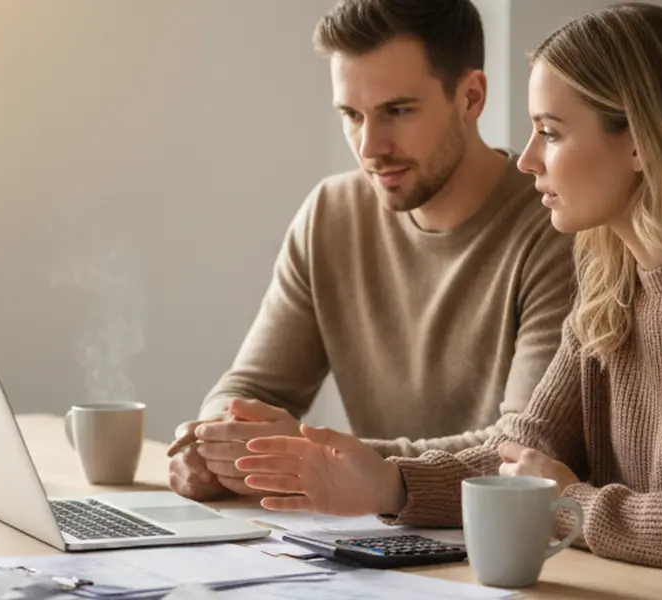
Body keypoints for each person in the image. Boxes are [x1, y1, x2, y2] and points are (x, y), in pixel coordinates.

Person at [233, 3, 662, 599]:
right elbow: (521, 454)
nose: (528, 158)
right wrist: (387, 482)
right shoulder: (613, 273)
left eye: (552, 131)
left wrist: (570, 506)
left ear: (641, 143)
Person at [167, 0, 576, 501]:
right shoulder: (331, 214)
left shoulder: (557, 226)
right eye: (351, 115)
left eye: (397, 111)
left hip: (500, 536)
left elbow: (519, 451)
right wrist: (214, 442)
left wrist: (321, 461)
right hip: (368, 531)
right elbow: (252, 389)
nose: (369, 147)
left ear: (470, 97)